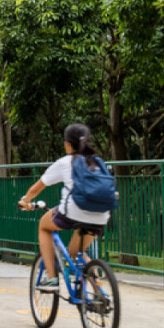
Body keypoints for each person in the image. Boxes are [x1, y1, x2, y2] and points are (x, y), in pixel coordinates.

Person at [17, 123, 112, 292]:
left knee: (44, 226)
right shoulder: (97, 162)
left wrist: (25, 200)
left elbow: (36, 188)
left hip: (74, 211)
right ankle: (99, 294)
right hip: (101, 214)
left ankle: (52, 278)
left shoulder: (64, 162)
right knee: (77, 253)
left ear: (67, 144)